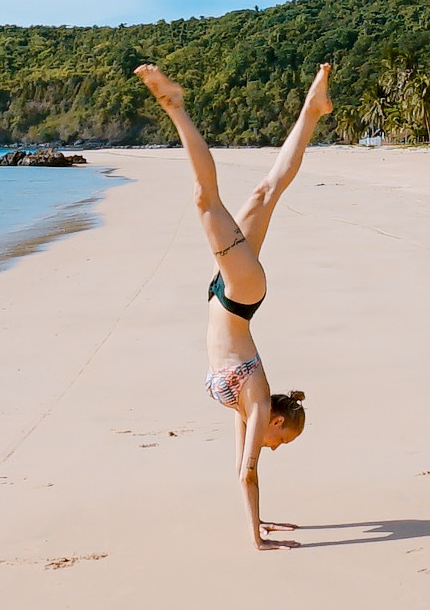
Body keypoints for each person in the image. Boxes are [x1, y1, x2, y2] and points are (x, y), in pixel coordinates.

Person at [134, 62, 333, 550]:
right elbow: (249, 475)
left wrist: (259, 524)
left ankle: (312, 109)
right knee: (206, 201)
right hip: (240, 293)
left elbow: (239, 472)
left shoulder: (250, 409)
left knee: (265, 191)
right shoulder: (260, 404)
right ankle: (176, 108)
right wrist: (256, 541)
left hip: (228, 293)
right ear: (279, 423)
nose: (271, 446)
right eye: (279, 441)